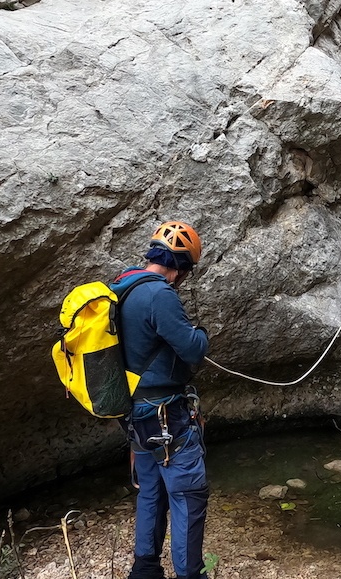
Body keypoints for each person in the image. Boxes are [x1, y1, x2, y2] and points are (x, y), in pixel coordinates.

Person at [111, 221, 210, 579]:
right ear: (181, 266)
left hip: (135, 414)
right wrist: (200, 332)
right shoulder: (160, 294)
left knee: (151, 491)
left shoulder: (122, 286)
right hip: (166, 415)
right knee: (188, 494)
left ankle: (145, 570)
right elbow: (193, 349)